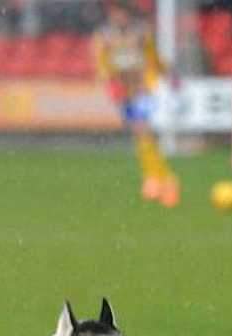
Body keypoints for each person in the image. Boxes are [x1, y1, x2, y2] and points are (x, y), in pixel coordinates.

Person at [92, 2, 178, 208]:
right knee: (141, 135)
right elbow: (102, 64)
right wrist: (110, 83)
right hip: (124, 93)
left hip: (143, 89)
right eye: (114, 14)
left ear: (126, 14)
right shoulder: (104, 37)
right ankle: (154, 177)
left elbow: (153, 59)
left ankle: (163, 180)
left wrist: (166, 74)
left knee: (143, 131)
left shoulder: (140, 34)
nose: (118, 18)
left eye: (120, 14)